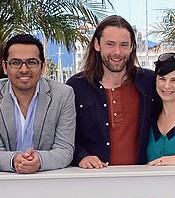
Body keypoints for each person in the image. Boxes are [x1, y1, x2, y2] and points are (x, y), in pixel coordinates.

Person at [0, 33, 75, 173]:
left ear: (43, 66)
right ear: (5, 67)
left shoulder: (63, 95)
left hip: (49, 180)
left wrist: (39, 160)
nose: (24, 69)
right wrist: (14, 160)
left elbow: (65, 150)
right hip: (4, 183)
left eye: (32, 62)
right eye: (16, 62)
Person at [66, 15, 156, 167]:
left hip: (142, 181)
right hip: (94, 180)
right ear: (97, 44)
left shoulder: (149, 82)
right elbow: (65, 136)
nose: (117, 52)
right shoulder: (76, 86)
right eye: (110, 44)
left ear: (132, 47)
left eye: (124, 45)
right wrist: (81, 157)